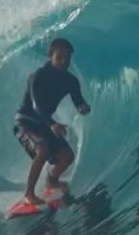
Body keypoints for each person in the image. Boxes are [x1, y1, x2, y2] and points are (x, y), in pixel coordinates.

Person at [13, 37, 91, 205]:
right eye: (59, 57)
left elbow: (78, 101)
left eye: (67, 59)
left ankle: (52, 180)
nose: (64, 62)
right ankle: (29, 195)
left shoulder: (70, 81)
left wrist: (83, 107)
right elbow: (37, 107)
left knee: (66, 156)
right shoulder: (37, 77)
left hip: (44, 123)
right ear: (50, 56)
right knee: (43, 150)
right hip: (26, 122)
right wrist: (52, 124)